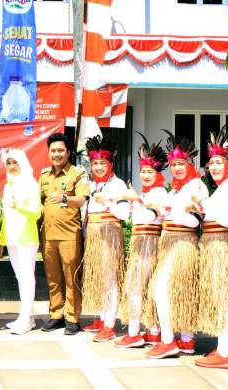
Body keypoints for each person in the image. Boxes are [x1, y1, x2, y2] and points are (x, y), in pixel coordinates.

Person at [146, 130, 208, 359]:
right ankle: (185, 340)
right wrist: (156, 210)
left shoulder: (197, 187)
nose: (177, 168)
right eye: (173, 164)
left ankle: (171, 340)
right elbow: (162, 217)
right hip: (168, 241)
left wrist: (176, 213)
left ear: (190, 163)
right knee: (175, 290)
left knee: (168, 288)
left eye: (181, 164)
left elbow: (196, 221)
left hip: (184, 243)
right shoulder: (175, 189)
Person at [193, 129, 228, 369]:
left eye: (218, 162)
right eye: (211, 162)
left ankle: (225, 352)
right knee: (227, 296)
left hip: (222, 245)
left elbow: (226, 218)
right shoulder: (227, 186)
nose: (213, 167)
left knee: (223, 297)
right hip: (216, 245)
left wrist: (200, 204)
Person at [116, 134, 166, 348]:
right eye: (143, 171)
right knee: (136, 286)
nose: (145, 175)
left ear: (157, 172)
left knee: (141, 286)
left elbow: (150, 216)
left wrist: (136, 200)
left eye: (150, 171)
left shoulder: (160, 192)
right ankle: (141, 331)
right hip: (139, 241)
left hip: (150, 242)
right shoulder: (146, 193)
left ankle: (146, 331)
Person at [80, 135, 130, 342]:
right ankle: (101, 318)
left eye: (102, 163)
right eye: (95, 163)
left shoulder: (118, 185)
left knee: (110, 279)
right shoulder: (91, 185)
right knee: (99, 278)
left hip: (110, 234)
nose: (98, 167)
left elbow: (125, 215)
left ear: (110, 164)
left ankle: (110, 324)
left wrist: (109, 202)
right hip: (92, 235)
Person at [38, 133, 89, 336]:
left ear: (68, 152)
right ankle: (56, 314)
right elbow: (39, 203)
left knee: (71, 277)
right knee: (53, 277)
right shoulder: (44, 175)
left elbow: (82, 199)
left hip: (69, 234)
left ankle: (73, 317)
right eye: (53, 151)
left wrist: (65, 197)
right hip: (48, 235)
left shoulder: (77, 173)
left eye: (60, 150)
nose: (56, 154)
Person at [0, 149, 42, 335]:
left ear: (22, 163)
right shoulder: (8, 185)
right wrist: (1, 240)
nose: (12, 166)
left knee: (27, 278)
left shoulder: (30, 183)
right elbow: (5, 214)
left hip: (26, 237)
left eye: (15, 162)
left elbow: (37, 212)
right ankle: (27, 317)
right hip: (11, 237)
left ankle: (25, 319)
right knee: (20, 277)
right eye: (8, 163)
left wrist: (20, 205)